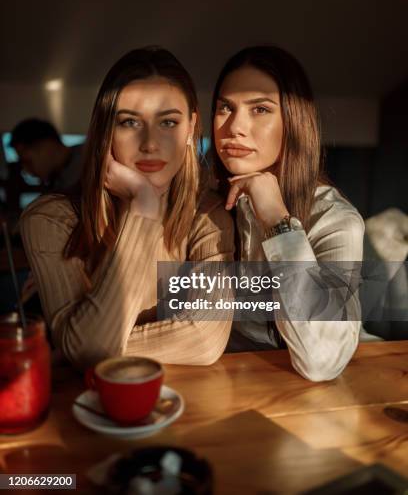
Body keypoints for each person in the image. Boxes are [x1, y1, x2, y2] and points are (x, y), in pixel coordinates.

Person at [20, 47, 234, 370]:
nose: (149, 142)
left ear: (190, 128)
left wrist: (80, 347)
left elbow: (205, 339)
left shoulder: (209, 215)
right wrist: (142, 207)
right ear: (107, 130)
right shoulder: (48, 221)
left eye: (168, 122)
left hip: (183, 406)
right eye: (130, 122)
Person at [211, 45, 364, 381]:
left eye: (260, 109)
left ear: (294, 123)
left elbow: (320, 361)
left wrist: (277, 221)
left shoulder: (336, 220)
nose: (235, 127)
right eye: (225, 107)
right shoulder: (206, 203)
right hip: (226, 384)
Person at [10, 118, 84, 192]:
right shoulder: (56, 180)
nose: (26, 170)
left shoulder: (89, 159)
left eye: (28, 162)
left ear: (46, 145)